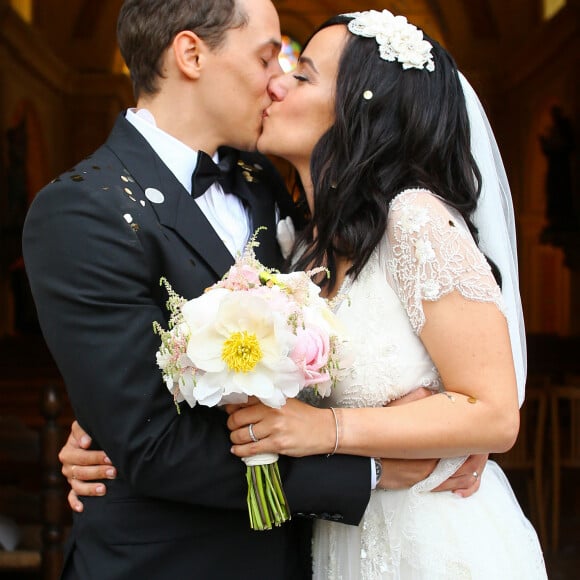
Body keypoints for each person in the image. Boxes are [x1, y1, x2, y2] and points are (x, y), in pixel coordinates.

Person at [24, 2, 485, 578]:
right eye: (269, 57)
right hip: (173, 562)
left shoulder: (264, 180)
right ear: (191, 54)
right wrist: (374, 469)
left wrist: (453, 421)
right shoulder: (81, 210)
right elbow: (153, 444)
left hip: (310, 555)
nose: (277, 81)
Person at [223, 10, 547, 578]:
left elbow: (495, 414)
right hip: (341, 534)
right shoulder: (295, 244)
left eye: (303, 76)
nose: (277, 81)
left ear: (360, 108)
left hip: (435, 538)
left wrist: (328, 429)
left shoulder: (414, 219)